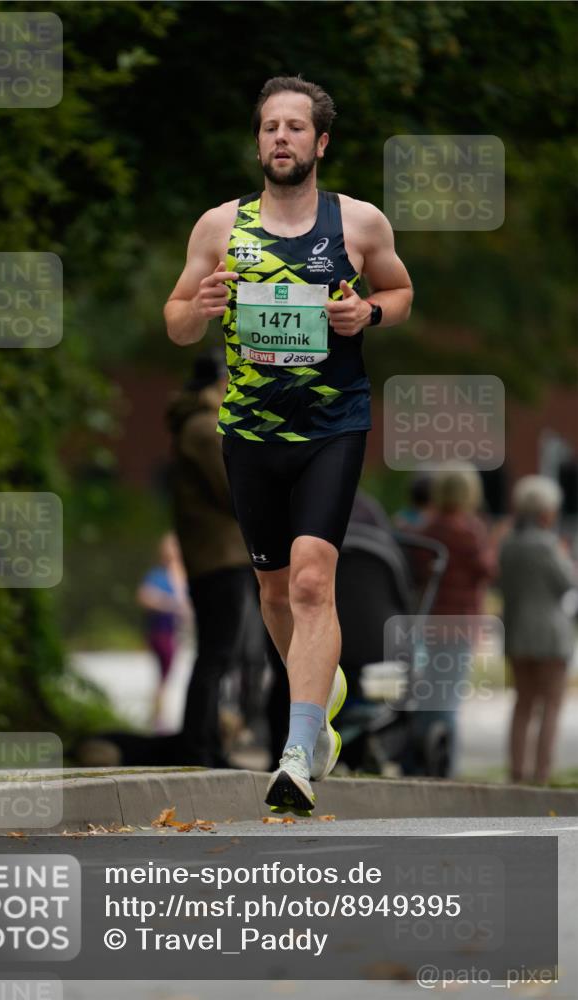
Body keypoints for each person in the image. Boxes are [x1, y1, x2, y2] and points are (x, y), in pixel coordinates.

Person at [164, 76, 413, 812]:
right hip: (248, 432)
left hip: (332, 425)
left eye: (295, 127)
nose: (281, 137)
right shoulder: (219, 227)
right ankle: (320, 689)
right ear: (258, 143)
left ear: (320, 142)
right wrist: (200, 306)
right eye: (270, 126)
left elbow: (399, 293)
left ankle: (300, 750)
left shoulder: (358, 223)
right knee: (273, 590)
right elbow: (176, 320)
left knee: (310, 580)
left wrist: (367, 314)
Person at [166, 349, 260, 766]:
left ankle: (205, 745)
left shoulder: (196, 425)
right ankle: (200, 747)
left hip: (213, 555)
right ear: (218, 384)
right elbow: (232, 489)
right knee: (217, 654)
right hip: (220, 557)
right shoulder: (205, 428)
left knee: (216, 653)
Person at [414, 463, 498, 775]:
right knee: (449, 698)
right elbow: (488, 570)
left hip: (430, 622)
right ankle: (445, 768)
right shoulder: (470, 531)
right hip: (460, 624)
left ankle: (417, 761)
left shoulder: (426, 529)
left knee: (428, 693)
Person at [499, 475, 577, 784]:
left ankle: (517, 772)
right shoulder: (548, 545)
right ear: (546, 512)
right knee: (551, 707)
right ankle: (541, 774)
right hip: (550, 636)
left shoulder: (508, 544)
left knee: (523, 704)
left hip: (517, 632)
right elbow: (567, 583)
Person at [136, 532, 191, 730]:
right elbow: (144, 596)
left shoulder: (183, 575)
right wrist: (169, 604)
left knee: (169, 675)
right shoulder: (158, 575)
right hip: (161, 631)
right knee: (164, 674)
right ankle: (158, 716)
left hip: (178, 633)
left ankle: (160, 715)